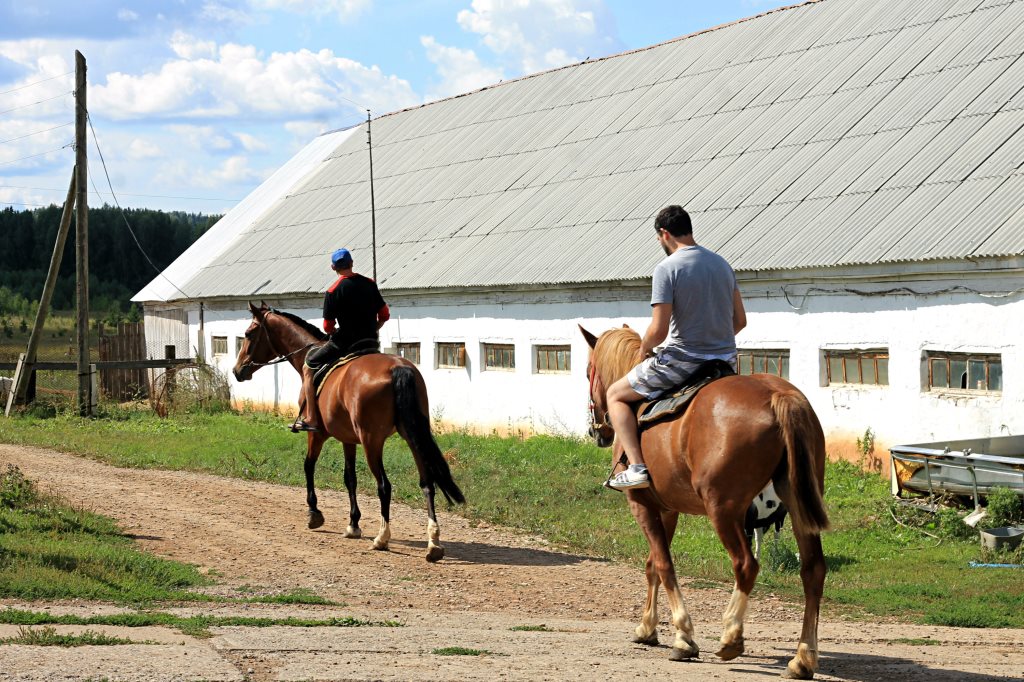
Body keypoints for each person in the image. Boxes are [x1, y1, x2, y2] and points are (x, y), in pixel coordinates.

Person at [605, 205, 746, 489]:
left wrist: (644, 348)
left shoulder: (667, 268)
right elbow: (740, 321)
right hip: (726, 362)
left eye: (659, 238)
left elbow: (658, 331)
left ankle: (637, 468)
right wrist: (714, 341)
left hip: (684, 361)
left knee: (615, 394)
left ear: (664, 234)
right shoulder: (722, 264)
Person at [290, 248, 390, 433]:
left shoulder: (333, 291)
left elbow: (328, 326)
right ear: (352, 263)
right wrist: (373, 329)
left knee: (308, 367)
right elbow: (384, 314)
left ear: (333, 267)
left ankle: (311, 418)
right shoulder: (370, 284)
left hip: (345, 344)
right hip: (370, 342)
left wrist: (335, 332)